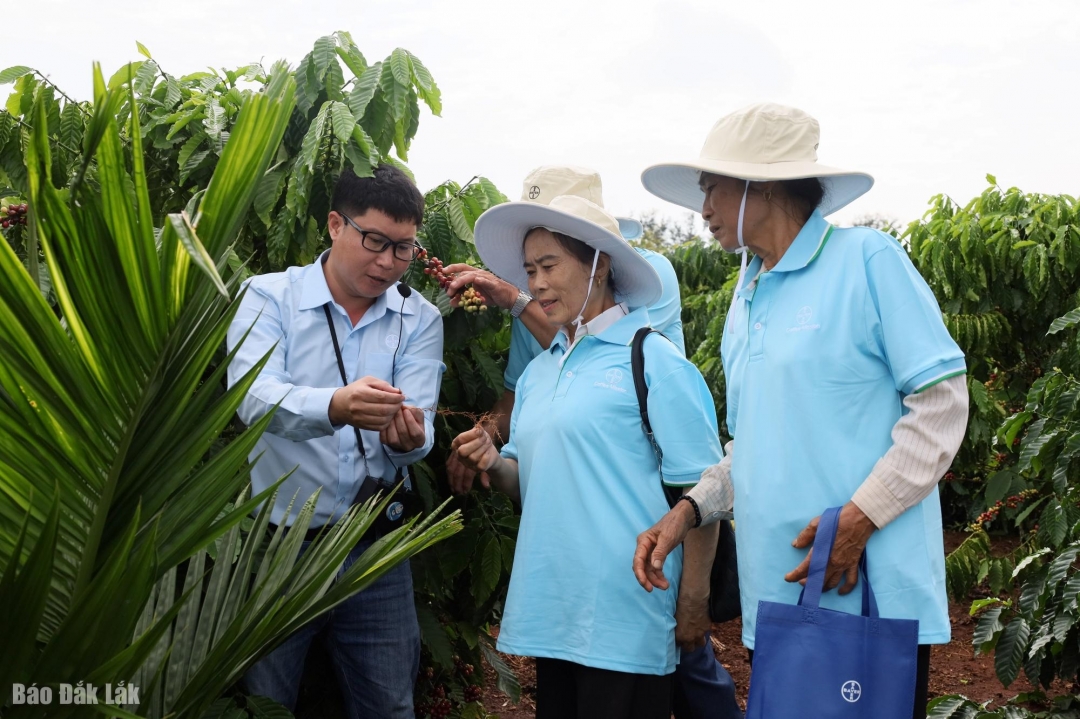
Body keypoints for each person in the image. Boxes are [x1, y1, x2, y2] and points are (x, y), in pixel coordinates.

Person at [632, 102, 969, 719]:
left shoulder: (867, 260)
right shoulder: (747, 294)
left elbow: (942, 403)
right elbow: (753, 442)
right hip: (780, 603)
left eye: (711, 188)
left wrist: (862, 518)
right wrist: (690, 509)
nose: (701, 207)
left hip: (865, 598)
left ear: (761, 186)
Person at [443, 165, 741, 719]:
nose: (536, 284)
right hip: (555, 614)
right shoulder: (541, 372)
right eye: (530, 270)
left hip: (626, 616)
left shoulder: (653, 361)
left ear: (600, 265)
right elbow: (523, 481)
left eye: (550, 265)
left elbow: (705, 496)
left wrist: (693, 606)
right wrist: (492, 459)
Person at [226, 164, 445, 718]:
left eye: (404, 248)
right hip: (278, 547)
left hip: (374, 547)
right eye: (375, 241)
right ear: (334, 225)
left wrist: (409, 439)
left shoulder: (418, 317)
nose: (388, 262)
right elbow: (251, 398)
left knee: (390, 705)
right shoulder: (267, 298)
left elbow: (420, 432)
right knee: (267, 701)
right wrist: (334, 405)